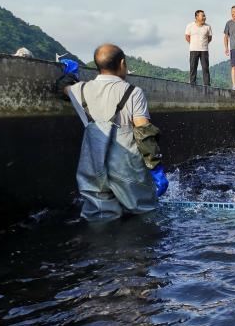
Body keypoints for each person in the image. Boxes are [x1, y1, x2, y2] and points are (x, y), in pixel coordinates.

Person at [55, 44, 169, 221]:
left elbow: (62, 88)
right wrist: (155, 168)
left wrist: (72, 73)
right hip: (126, 165)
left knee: (99, 217)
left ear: (98, 65)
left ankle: (100, 247)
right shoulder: (133, 92)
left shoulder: (80, 90)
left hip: (92, 164)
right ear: (122, 63)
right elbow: (143, 131)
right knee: (143, 215)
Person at [185, 10, 212, 86]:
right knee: (193, 67)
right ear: (197, 17)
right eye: (202, 16)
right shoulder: (190, 26)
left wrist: (204, 44)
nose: (204, 17)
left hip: (204, 50)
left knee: (205, 68)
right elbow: (187, 37)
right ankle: (192, 83)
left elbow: (210, 37)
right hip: (193, 49)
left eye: (204, 15)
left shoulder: (207, 27)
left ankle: (207, 85)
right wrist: (193, 43)